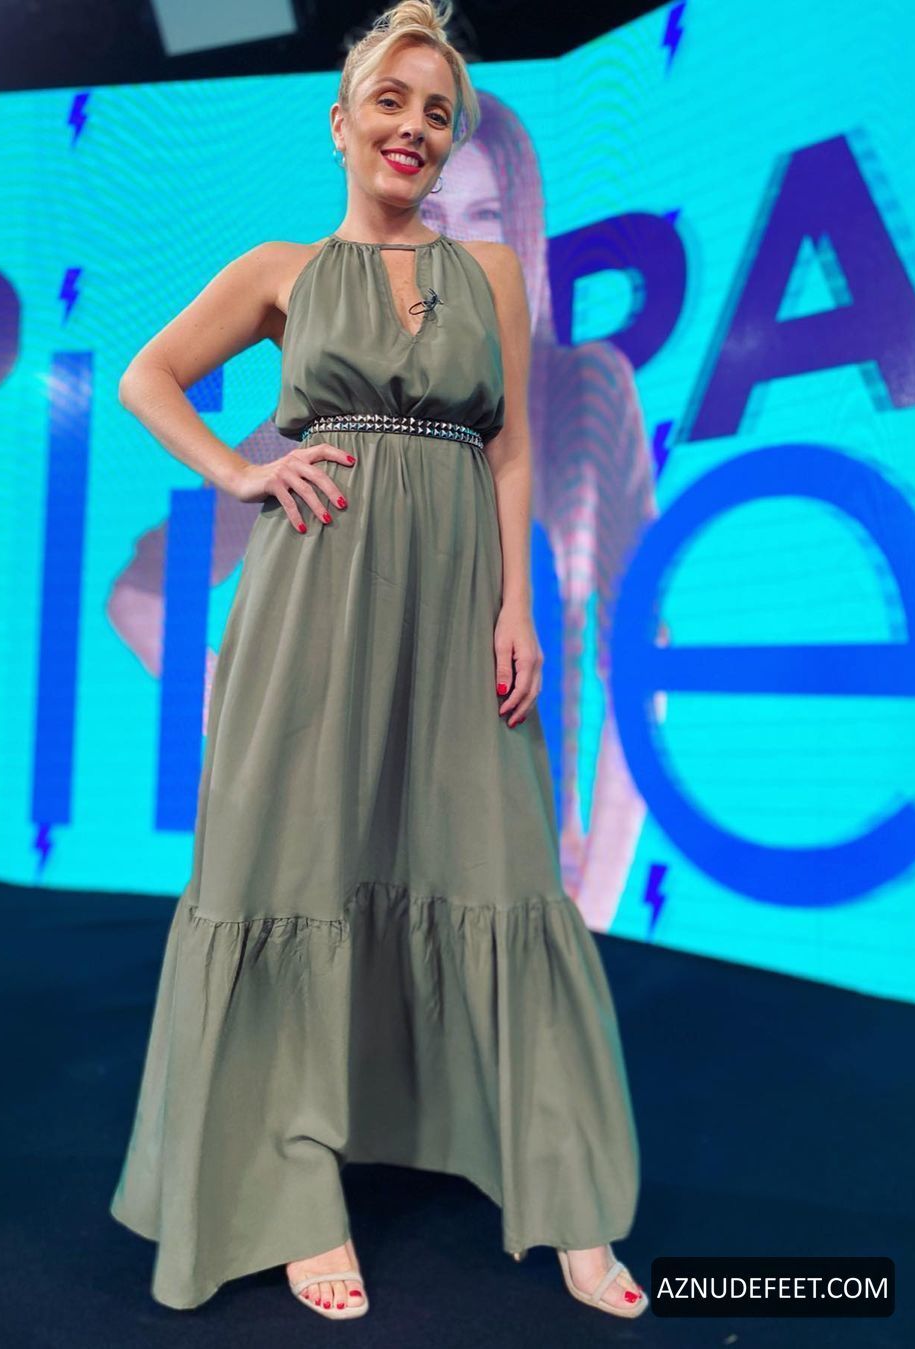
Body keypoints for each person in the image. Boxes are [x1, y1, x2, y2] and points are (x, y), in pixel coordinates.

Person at [109, 0, 648, 1321]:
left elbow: (512, 451)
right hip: (311, 609)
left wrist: (518, 607)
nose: (416, 127)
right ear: (341, 120)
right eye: (393, 102)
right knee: (291, 875)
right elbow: (146, 377)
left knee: (505, 876)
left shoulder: (493, 276)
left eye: (439, 112)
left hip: (460, 609)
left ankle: (569, 1200)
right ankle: (296, 1194)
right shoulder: (281, 270)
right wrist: (243, 470)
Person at [106, 84, 661, 934]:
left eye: (489, 214)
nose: (464, 242)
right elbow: (140, 592)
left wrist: (596, 898)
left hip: (502, 833)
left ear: (522, 228)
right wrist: (237, 701)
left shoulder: (582, 393)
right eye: (440, 211)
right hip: (339, 811)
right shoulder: (328, 396)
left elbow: (637, 650)